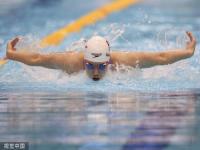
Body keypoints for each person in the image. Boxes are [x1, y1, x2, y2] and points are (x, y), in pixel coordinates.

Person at [6, 31, 196, 81]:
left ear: (109, 60)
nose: (96, 72)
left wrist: (187, 52)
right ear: (84, 61)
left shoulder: (123, 61)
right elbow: (38, 59)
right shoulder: (72, 62)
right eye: (90, 66)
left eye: (102, 66)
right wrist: (12, 55)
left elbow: (160, 57)